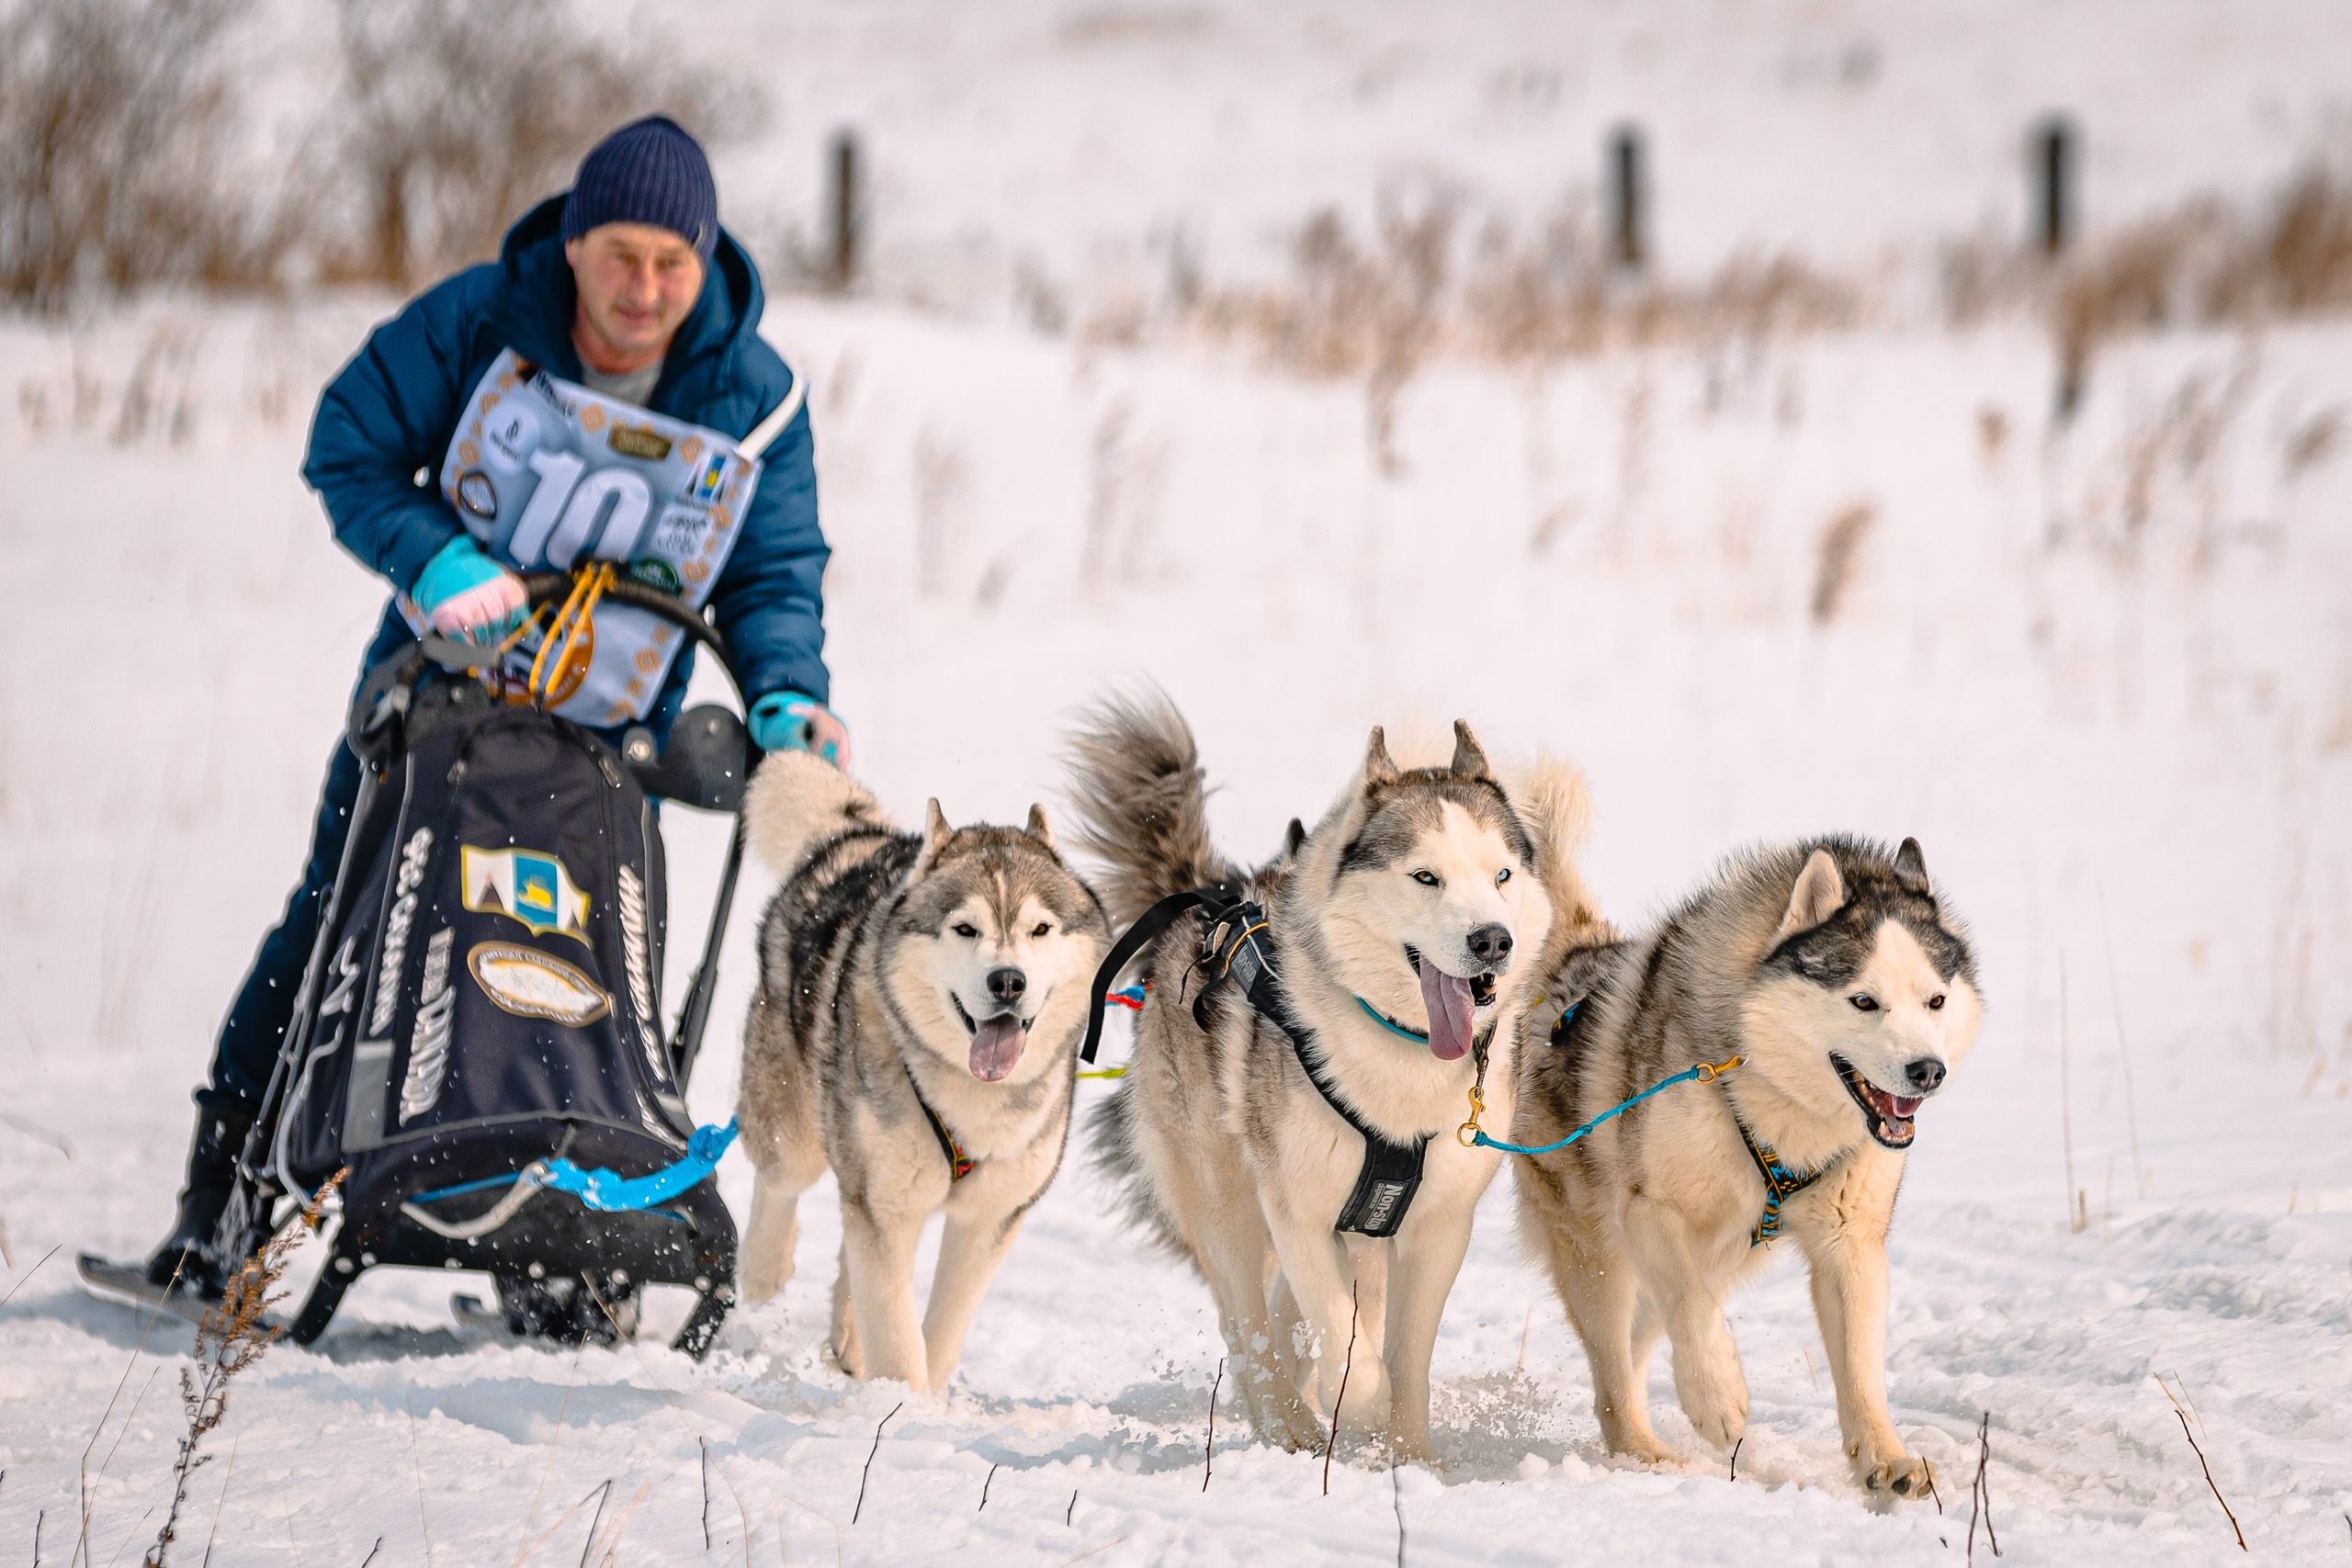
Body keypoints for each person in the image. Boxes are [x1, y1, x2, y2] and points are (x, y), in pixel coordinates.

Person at [141, 117, 847, 1293]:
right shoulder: (480, 321)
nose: (644, 290)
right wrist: (433, 558)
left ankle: (562, 1236)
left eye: (671, 264)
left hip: (609, 737)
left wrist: (787, 693)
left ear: (706, 261)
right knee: (335, 927)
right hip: (430, 710)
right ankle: (224, 1202)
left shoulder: (753, 395)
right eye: (621, 257)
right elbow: (348, 442)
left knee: (587, 958)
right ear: (574, 244)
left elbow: (774, 570)